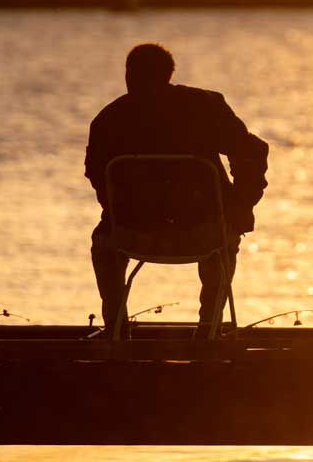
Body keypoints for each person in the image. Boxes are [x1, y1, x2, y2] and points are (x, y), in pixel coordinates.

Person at [86, 42, 268, 335]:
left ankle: (116, 327)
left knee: (103, 245)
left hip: (134, 233)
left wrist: (121, 210)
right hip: (205, 233)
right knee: (225, 240)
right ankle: (208, 326)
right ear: (169, 74)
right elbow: (252, 153)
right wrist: (239, 206)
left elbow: (96, 174)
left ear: (129, 75)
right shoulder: (205, 106)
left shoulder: (109, 118)